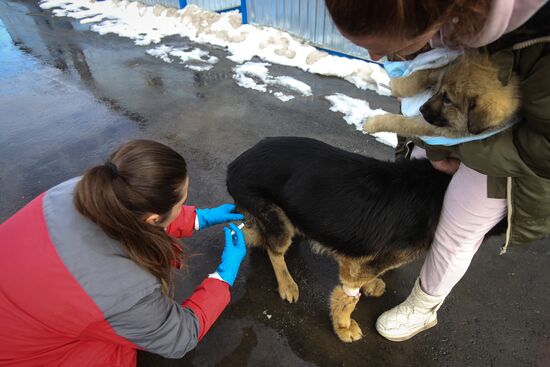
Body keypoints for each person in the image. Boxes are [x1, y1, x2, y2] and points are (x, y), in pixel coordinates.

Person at [325, 0, 550, 341]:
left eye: (380, 47)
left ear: (436, 21)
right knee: (410, 187)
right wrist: (434, 145)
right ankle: (388, 253)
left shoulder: (539, 46)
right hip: (463, 127)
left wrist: (460, 147)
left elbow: (543, 149)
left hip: (524, 153)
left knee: (456, 227)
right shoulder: (445, 21)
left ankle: (423, 306)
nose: (374, 58)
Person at [0, 139, 247, 366]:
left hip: (20, 304)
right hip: (18, 353)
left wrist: (197, 218)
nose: (184, 205)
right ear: (154, 217)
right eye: (181, 204)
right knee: (115, 354)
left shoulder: (83, 190)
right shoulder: (122, 293)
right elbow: (179, 337)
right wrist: (222, 278)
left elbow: (134, 213)